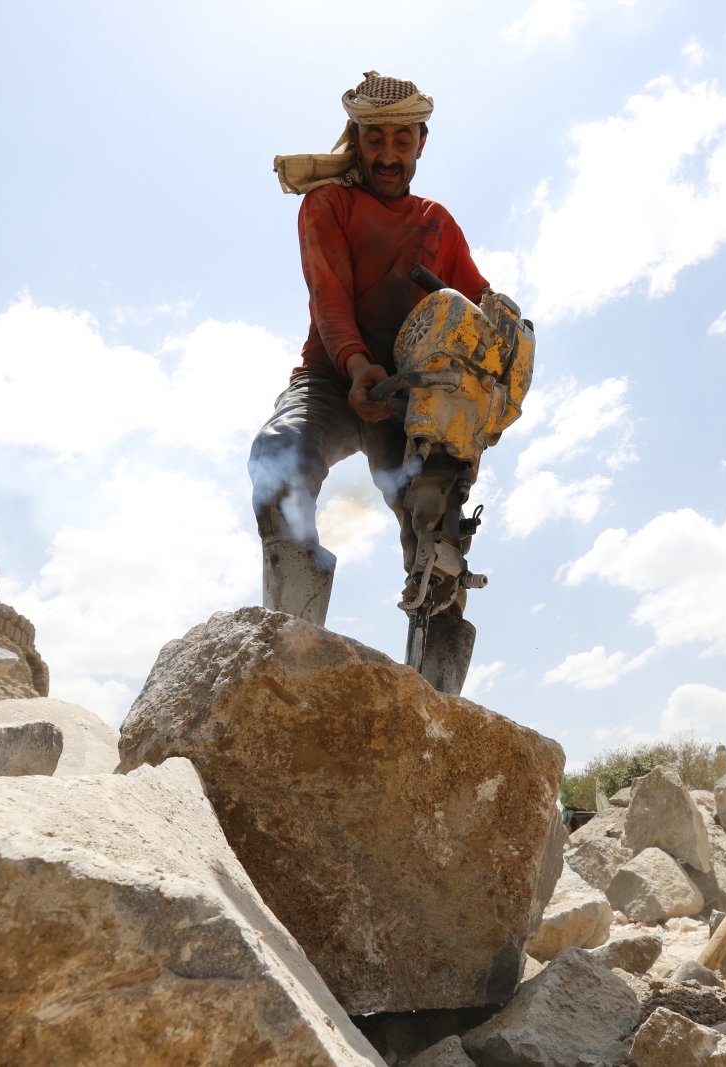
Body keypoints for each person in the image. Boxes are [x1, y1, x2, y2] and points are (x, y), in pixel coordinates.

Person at [250, 71, 490, 690]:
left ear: (421, 142)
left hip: (411, 406)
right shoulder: (327, 204)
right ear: (356, 139)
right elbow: (329, 302)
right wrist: (359, 366)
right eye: (375, 138)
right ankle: (292, 653)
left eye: (401, 140)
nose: (388, 154)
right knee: (279, 457)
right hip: (334, 381)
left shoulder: (439, 225)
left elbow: (482, 314)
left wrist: (504, 348)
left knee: (438, 528)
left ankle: (436, 704)